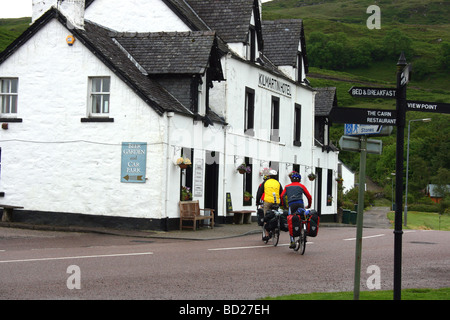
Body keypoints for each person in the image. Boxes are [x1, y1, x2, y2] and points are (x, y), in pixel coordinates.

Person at [281, 171, 312, 248]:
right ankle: (304, 232)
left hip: (291, 205)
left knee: (290, 220)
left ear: (291, 179)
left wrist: (284, 205)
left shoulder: (287, 187)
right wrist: (309, 205)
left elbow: (282, 196)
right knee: (303, 217)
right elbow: (309, 196)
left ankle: (292, 241)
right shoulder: (301, 186)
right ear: (299, 180)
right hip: (300, 204)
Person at [256, 168, 283, 241]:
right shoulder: (278, 183)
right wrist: (282, 203)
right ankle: (276, 227)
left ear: (270, 176)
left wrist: (257, 201)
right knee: (276, 215)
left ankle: (267, 234)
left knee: (266, 217)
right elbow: (282, 193)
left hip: (267, 201)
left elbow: (259, 192)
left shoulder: (265, 182)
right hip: (276, 202)